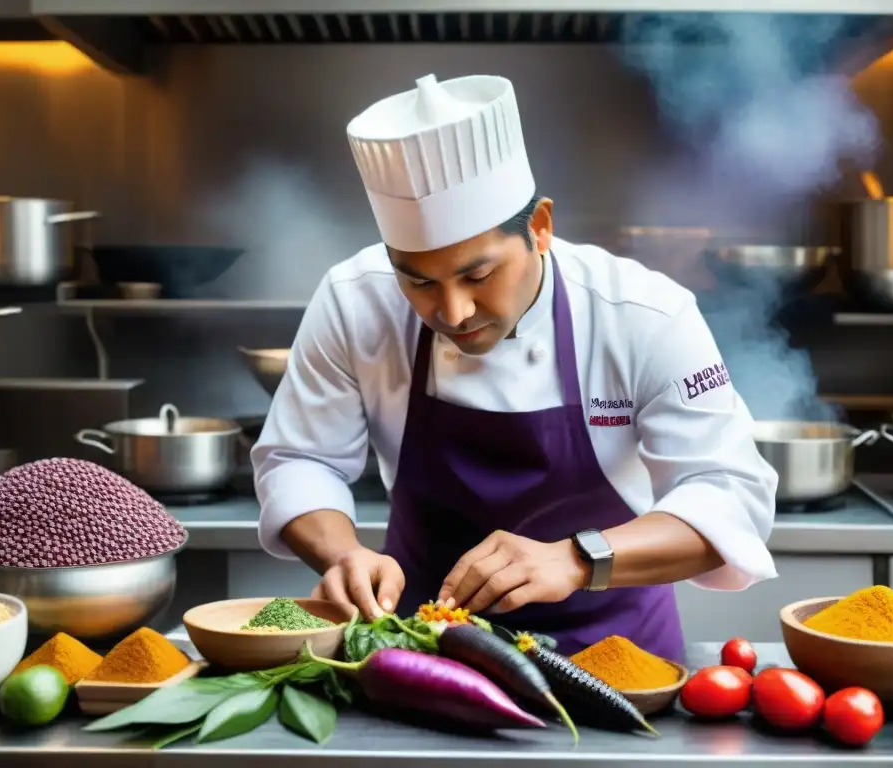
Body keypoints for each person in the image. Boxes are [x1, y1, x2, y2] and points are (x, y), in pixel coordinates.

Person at [252, 73, 778, 659]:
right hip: (423, 647)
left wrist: (580, 558)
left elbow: (730, 496)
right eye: (417, 280)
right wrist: (342, 554)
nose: (452, 311)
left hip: (616, 653)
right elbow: (301, 458)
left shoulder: (644, 315)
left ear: (541, 228)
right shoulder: (355, 300)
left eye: (478, 275)